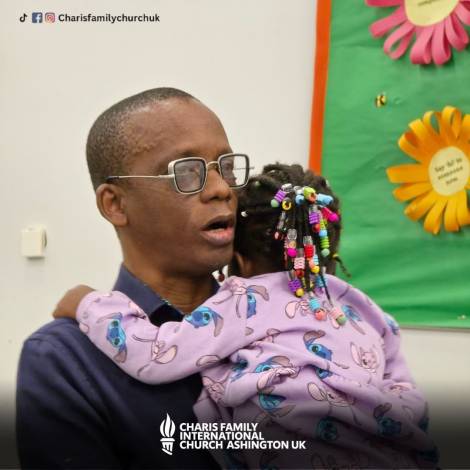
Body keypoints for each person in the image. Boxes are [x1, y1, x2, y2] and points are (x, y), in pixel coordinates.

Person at [54, 164, 438, 469]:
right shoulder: (366, 310)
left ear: (239, 259)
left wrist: (88, 303)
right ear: (326, 251)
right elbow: (410, 404)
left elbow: (156, 354)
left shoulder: (246, 299)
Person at [16, 87, 251, 469]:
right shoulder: (66, 360)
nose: (221, 188)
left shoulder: (269, 321)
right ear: (115, 204)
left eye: (225, 167)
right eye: (186, 171)